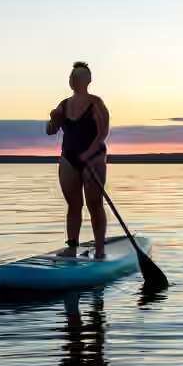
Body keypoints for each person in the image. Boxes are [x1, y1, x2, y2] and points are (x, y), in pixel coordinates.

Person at [46, 61, 110, 257]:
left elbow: (103, 133)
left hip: (93, 159)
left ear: (88, 80)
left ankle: (100, 250)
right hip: (69, 158)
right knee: (74, 205)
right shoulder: (64, 105)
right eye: (72, 77)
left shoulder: (96, 103)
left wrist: (89, 154)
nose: (75, 80)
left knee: (94, 204)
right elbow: (50, 131)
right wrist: (54, 119)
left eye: (79, 77)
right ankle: (72, 247)